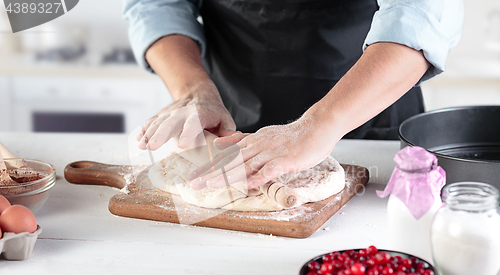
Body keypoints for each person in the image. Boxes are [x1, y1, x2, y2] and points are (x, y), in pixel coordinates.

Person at [123, 0, 463, 190]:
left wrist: (320, 124)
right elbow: (156, 4)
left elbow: (420, 16)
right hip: (229, 112)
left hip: (368, 112)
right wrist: (192, 89)